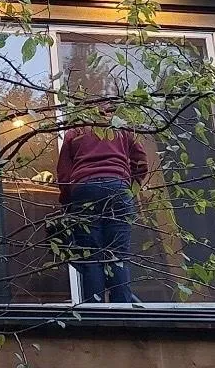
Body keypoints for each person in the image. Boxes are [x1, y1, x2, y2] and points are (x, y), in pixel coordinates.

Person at [56, 118, 149, 303]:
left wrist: (69, 203)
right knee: (118, 256)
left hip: (85, 190)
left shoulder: (75, 131)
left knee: (91, 258)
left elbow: (64, 175)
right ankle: (122, 311)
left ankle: (94, 313)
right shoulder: (120, 127)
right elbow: (141, 163)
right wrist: (128, 187)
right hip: (117, 188)